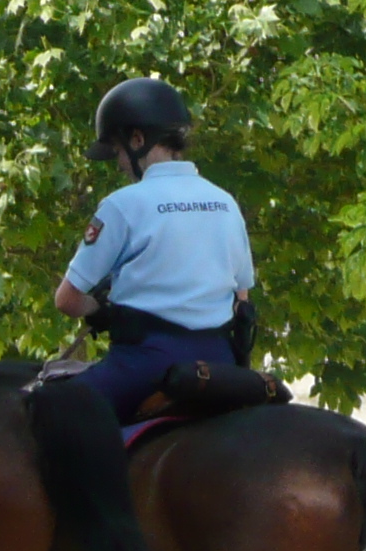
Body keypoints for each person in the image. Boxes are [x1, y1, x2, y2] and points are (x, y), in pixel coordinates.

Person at [50, 78, 257, 417]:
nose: (118, 162)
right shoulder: (225, 202)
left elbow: (67, 300)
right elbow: (242, 298)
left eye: (117, 150)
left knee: (52, 409)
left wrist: (100, 310)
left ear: (137, 139)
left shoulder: (122, 205)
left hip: (146, 363)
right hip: (219, 364)